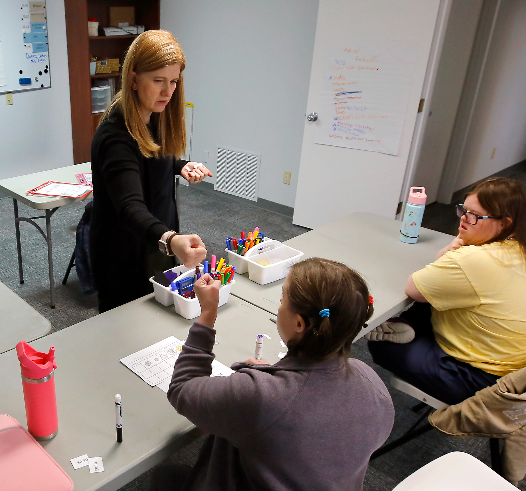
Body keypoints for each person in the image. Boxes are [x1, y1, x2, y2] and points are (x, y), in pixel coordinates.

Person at [159, 258, 394, 491]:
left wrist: (208, 313)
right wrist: (273, 378)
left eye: (283, 297)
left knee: (165, 476)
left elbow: (182, 388)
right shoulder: (371, 382)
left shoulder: (260, 396)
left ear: (300, 324)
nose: (280, 302)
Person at [367, 177, 526, 405]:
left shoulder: (473, 258)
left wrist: (454, 251)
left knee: (381, 344)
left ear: (505, 223)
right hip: (517, 372)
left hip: (482, 382)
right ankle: (409, 327)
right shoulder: (517, 247)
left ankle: (409, 328)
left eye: (475, 216)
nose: (463, 220)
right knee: (443, 290)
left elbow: (413, 288)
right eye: (464, 210)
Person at [90, 30, 211, 313]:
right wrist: (170, 239)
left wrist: (180, 166)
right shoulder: (116, 137)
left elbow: (151, 159)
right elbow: (129, 206)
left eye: (173, 82)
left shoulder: (154, 117)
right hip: (124, 253)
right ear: (133, 78)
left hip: (156, 240)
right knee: (126, 330)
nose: (168, 91)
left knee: (159, 318)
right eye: (158, 81)